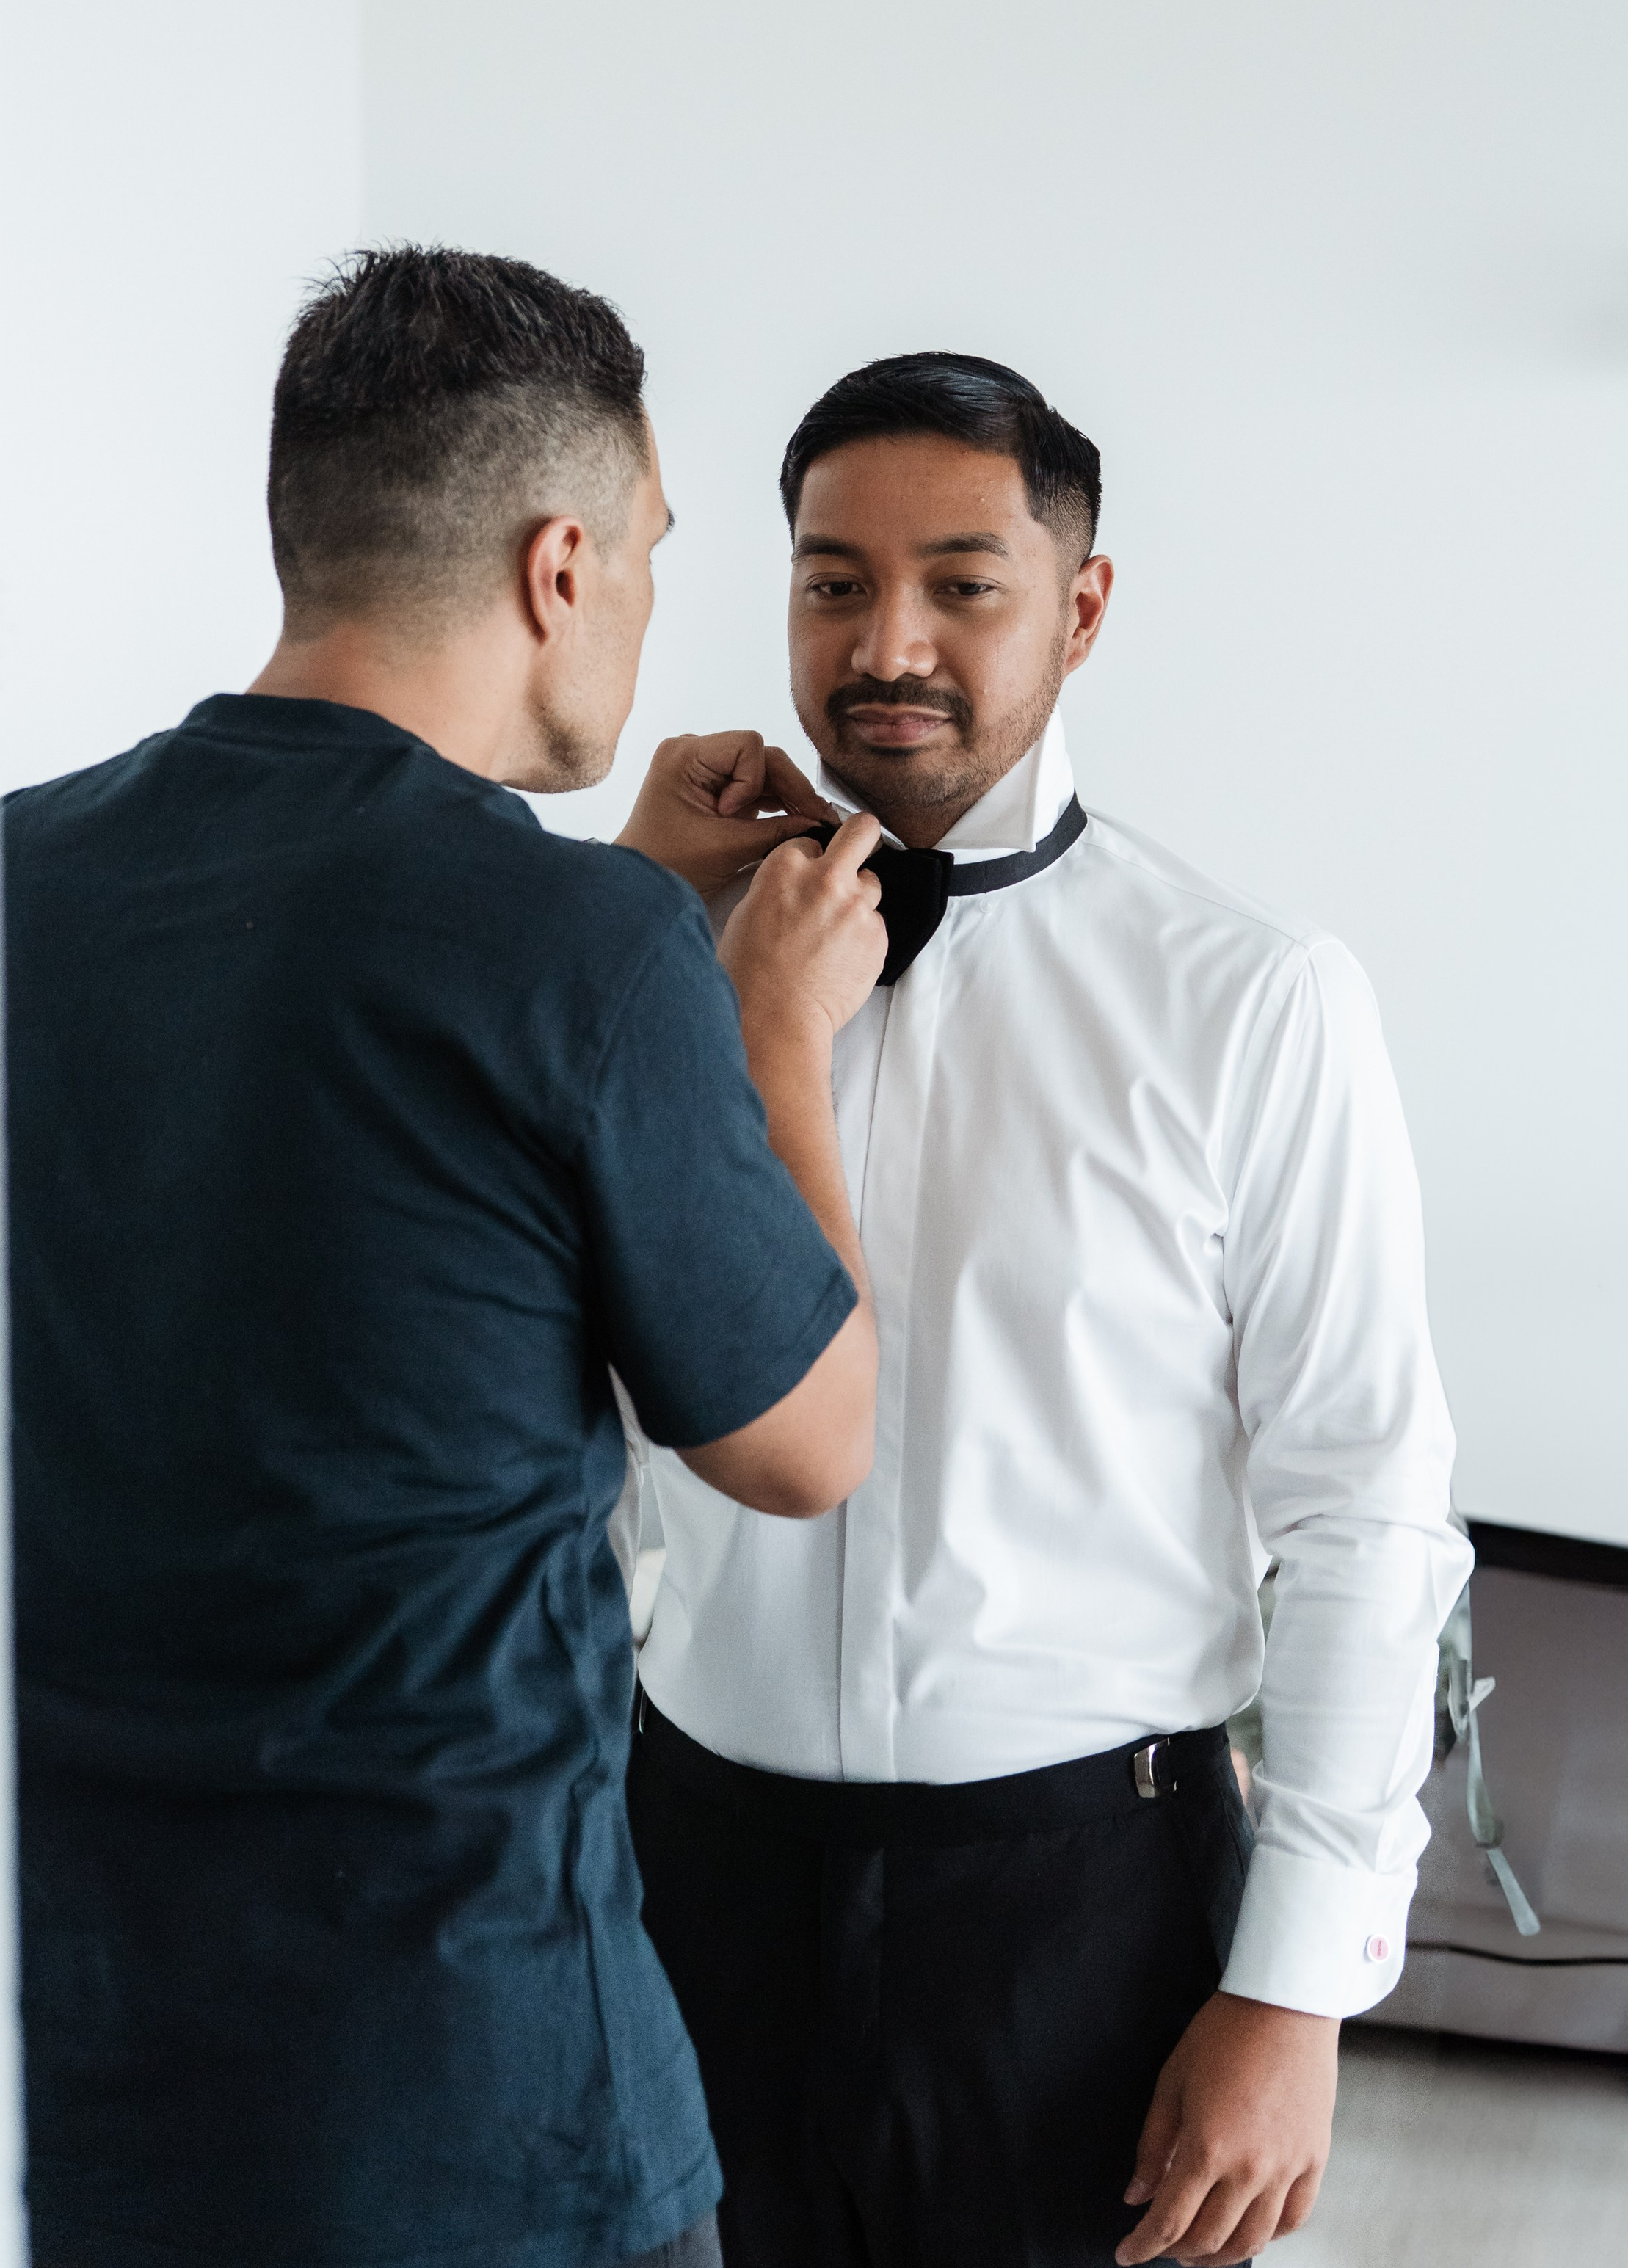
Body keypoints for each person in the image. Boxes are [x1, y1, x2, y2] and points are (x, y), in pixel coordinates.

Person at [1, 247, 893, 2268]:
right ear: (560, 566)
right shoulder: (587, 958)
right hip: (471, 2103)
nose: (656, 611)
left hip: (69, 2078)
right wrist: (762, 1034)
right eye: (656, 553)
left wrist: (607, 926)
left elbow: (334, 1076)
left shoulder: (0, 876)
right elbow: (805, 1441)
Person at [614, 352, 1472, 2268]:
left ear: (1082, 607)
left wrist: (1297, 1990)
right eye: (832, 581)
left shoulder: (1255, 1003)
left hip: (1085, 1918)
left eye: (961, 582)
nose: (885, 640)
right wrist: (635, 940)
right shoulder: (658, 966)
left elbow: (1365, 1515)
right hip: (692, 1882)